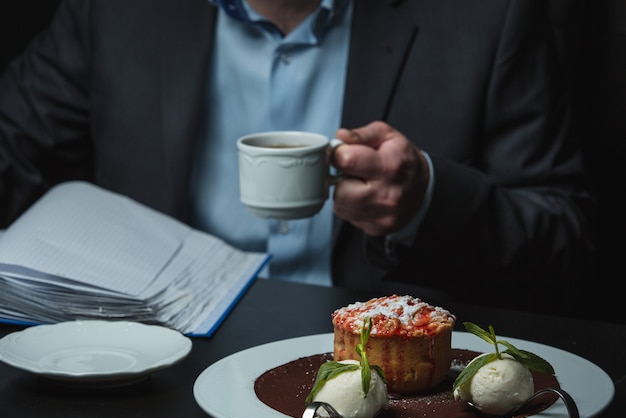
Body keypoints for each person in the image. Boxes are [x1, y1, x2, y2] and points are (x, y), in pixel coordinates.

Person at [0, 0, 595, 315]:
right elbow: (13, 145)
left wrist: (426, 202)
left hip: (384, 389)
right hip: (160, 370)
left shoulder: (488, 15)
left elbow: (569, 244)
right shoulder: (114, 9)